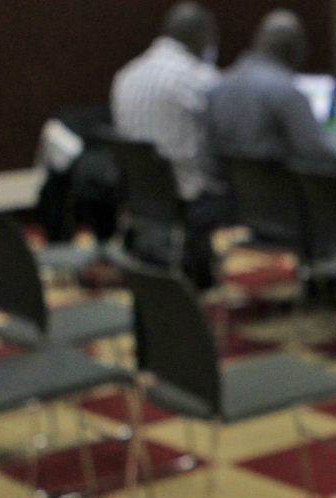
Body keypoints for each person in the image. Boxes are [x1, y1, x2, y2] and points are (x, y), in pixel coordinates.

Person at [111, 2, 223, 288]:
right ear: (202, 38)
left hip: (144, 199)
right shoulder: (198, 79)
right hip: (190, 200)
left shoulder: (125, 77)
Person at [206, 10, 336, 169]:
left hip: (235, 191)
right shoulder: (287, 94)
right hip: (280, 191)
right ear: (296, 51)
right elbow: (323, 154)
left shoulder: (219, 87)